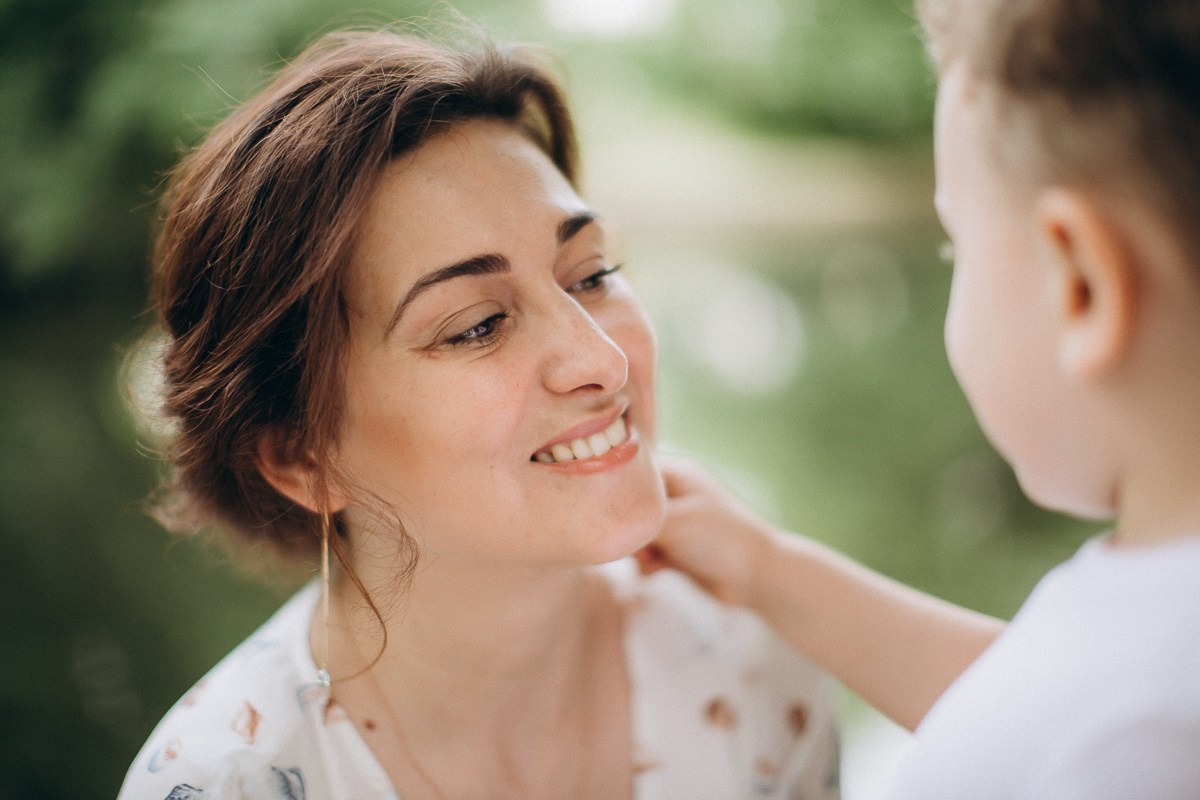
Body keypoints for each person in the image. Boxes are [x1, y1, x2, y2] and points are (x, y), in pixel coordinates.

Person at [116, 29, 841, 800]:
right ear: (302, 457)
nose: (602, 359)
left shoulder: (747, 654)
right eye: (476, 326)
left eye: (592, 274)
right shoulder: (227, 782)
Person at [644, 0, 1200, 797]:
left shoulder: (1134, 751)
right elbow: (1033, 710)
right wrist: (768, 570)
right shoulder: (1152, 667)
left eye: (955, 247)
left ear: (1079, 282)